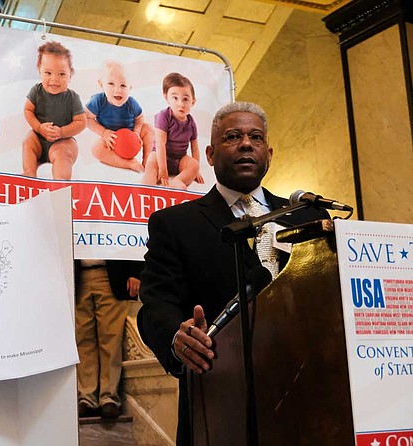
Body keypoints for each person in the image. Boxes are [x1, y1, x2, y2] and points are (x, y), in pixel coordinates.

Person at [136, 102, 328, 444]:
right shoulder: (176, 224)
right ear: (209, 154)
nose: (245, 144)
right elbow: (155, 306)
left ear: (269, 153)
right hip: (220, 401)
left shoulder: (307, 217)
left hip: (311, 399)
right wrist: (175, 340)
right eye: (233, 136)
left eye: (255, 137)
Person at [75, 260, 143, 418]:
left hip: (111, 275)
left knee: (111, 339)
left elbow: (132, 238)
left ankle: (109, 397)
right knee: (82, 339)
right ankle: (86, 398)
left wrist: (136, 272)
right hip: (77, 277)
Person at [22, 41, 86, 180]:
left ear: (71, 75)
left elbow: (81, 122)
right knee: (28, 141)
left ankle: (60, 185)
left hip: (62, 141)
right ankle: (29, 174)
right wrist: (39, 128)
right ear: (40, 71)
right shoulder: (36, 91)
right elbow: (28, 110)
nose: (54, 79)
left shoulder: (72, 97)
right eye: (48, 73)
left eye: (62, 74)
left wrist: (62, 132)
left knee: (63, 154)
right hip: (39, 138)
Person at [85, 60, 153, 172]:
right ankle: (128, 163)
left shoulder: (131, 103)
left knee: (149, 129)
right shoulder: (98, 101)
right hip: (112, 139)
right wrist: (104, 133)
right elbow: (87, 118)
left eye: (123, 85)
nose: (118, 90)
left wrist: (136, 132)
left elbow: (139, 118)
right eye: (111, 84)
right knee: (96, 149)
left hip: (131, 135)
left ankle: (147, 161)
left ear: (130, 88)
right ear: (101, 84)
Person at [142, 72, 204, 190]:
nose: (180, 103)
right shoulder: (164, 116)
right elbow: (160, 144)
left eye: (185, 99)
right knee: (150, 166)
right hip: (159, 156)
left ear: (193, 102)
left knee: (194, 165)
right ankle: (149, 185)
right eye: (175, 98)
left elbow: (194, 148)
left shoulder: (191, 123)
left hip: (179, 159)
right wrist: (163, 170)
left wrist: (196, 171)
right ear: (167, 98)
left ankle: (177, 180)